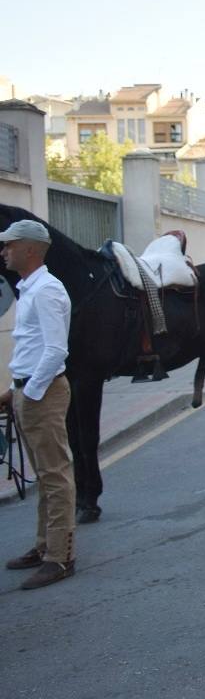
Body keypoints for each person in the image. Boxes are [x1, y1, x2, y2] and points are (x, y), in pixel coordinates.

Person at [1, 220, 76, 590]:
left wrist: (29, 393)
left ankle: (60, 557)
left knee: (54, 474)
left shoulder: (46, 290)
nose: (4, 251)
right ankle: (46, 544)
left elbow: (56, 349)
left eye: (9, 245)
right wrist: (13, 391)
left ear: (29, 250)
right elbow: (32, 348)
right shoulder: (31, 288)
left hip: (41, 393)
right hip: (29, 390)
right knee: (45, 475)